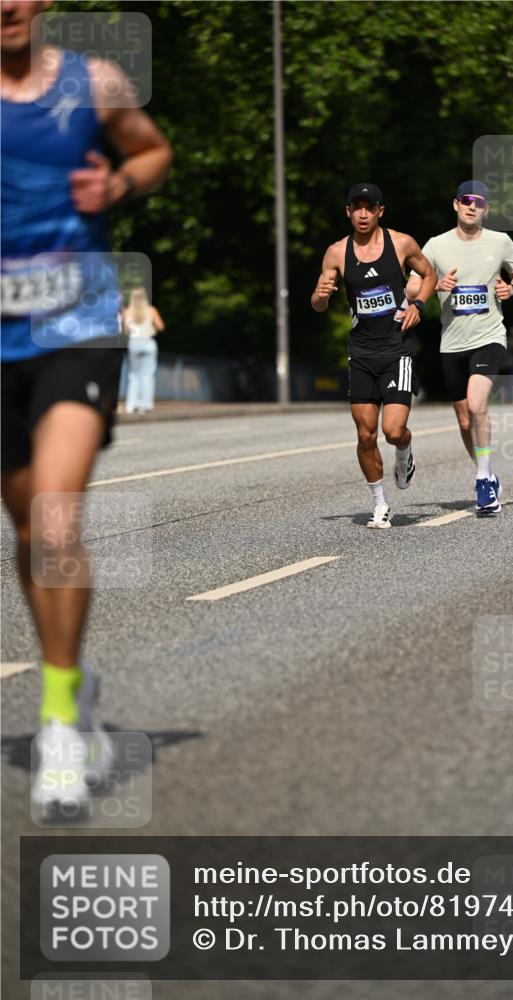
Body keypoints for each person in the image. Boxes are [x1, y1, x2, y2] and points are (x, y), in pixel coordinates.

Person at [1, 0, 172, 814]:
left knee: (59, 519)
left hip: (78, 325)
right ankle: (75, 681)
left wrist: (119, 180)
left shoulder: (90, 83)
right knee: (31, 530)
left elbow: (152, 150)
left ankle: (60, 722)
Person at [310, 183, 436, 528]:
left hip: (398, 349)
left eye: (370, 208)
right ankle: (380, 503)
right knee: (365, 435)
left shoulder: (401, 243)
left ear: (381, 211)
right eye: (357, 207)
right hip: (361, 352)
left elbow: (429, 275)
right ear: (348, 212)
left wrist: (419, 305)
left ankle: (404, 452)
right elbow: (319, 304)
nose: (363, 214)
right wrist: (320, 296)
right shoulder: (336, 252)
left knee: (393, 430)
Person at [405, 180, 513, 515]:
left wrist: (512, 289)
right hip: (452, 342)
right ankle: (488, 471)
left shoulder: (500, 241)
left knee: (477, 404)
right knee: (463, 421)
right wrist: (433, 287)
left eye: (479, 202)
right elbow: (413, 283)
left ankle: (483, 479)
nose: (472, 206)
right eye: (466, 201)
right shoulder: (436, 245)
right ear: (456, 205)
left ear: (485, 209)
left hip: (489, 337)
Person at [123, 286, 164, 413]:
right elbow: (161, 326)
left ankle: (131, 405)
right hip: (148, 342)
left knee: (133, 375)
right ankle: (146, 404)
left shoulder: (127, 312)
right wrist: (151, 330)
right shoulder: (151, 310)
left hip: (134, 343)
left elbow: (125, 330)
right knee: (147, 375)